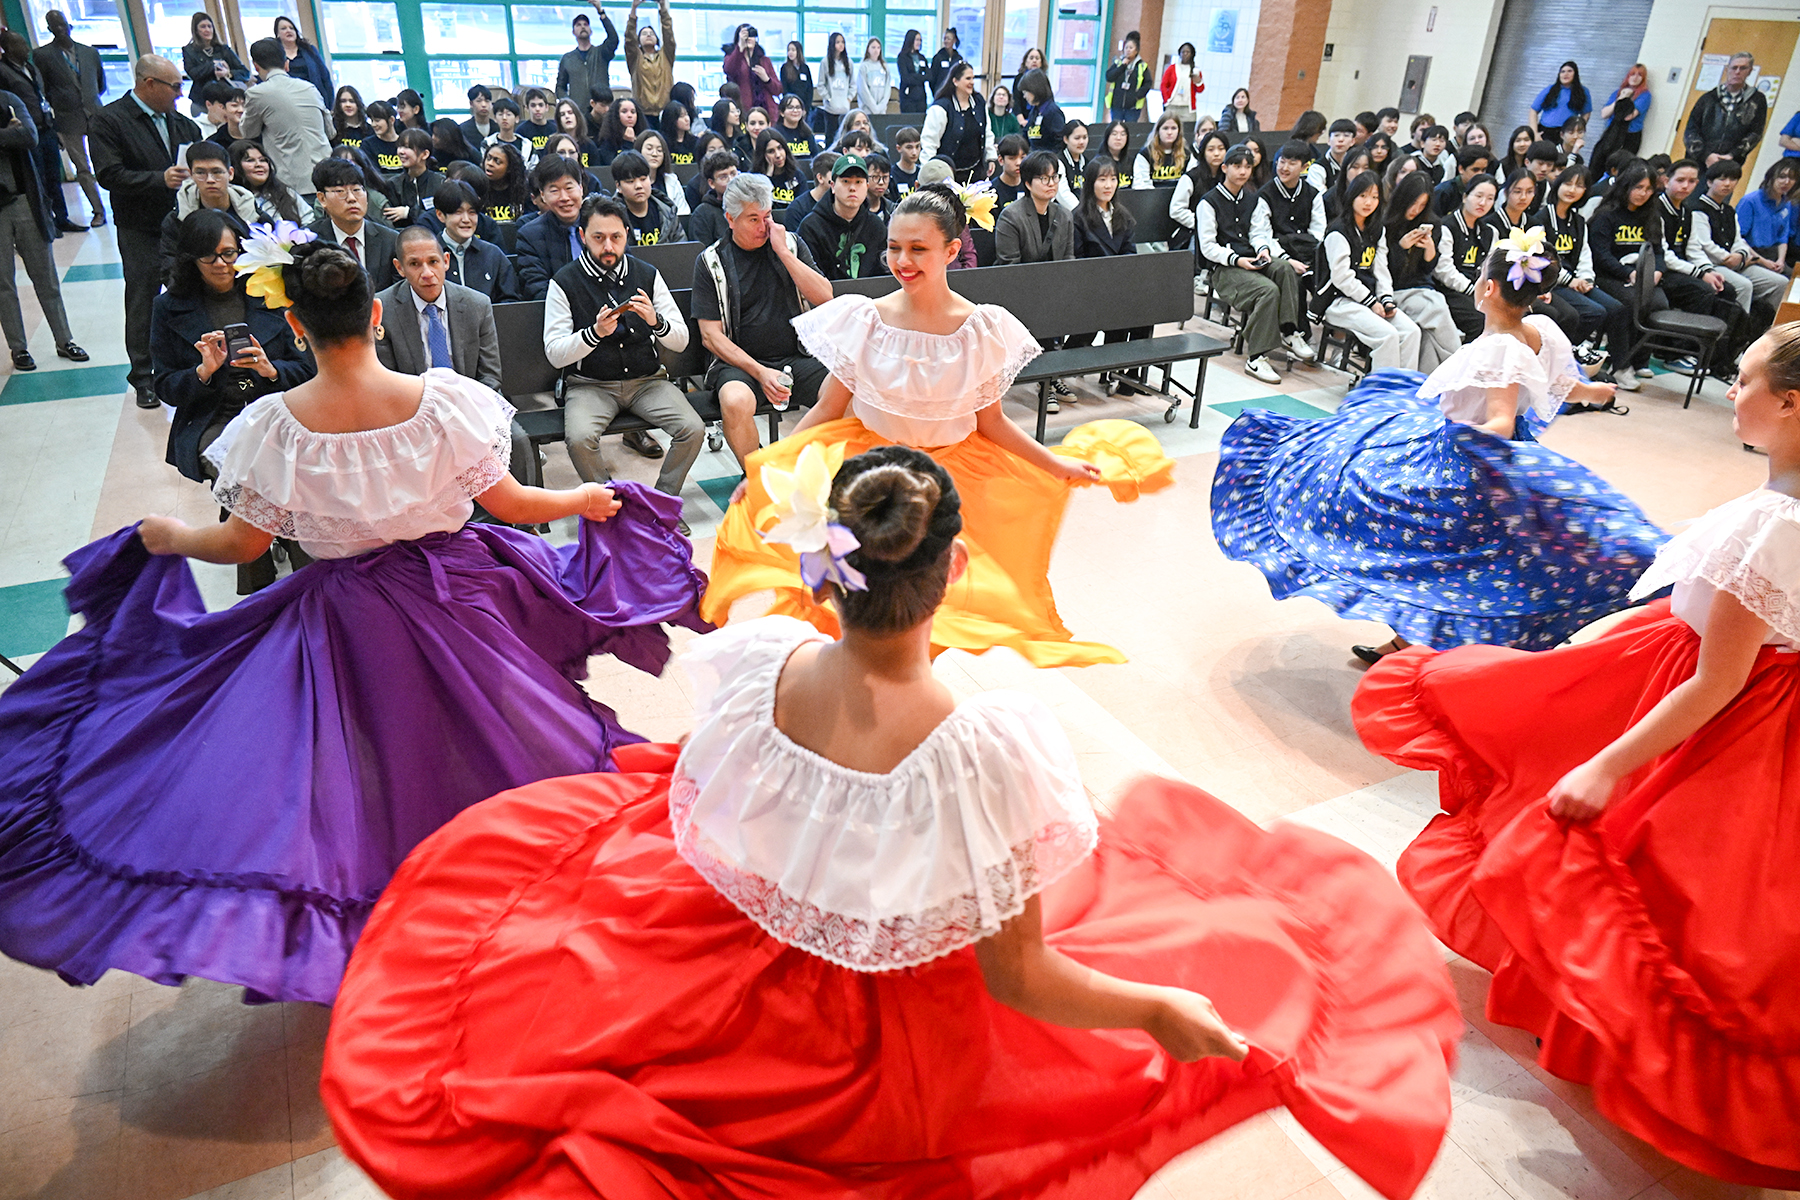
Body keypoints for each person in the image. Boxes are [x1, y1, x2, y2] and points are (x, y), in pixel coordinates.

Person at [322, 419, 1464, 1200]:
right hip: (897, 1035)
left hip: (742, 976)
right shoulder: (984, 744)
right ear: (958, 567)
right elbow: (1019, 978)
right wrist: (1160, 1014)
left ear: (826, 572)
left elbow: (711, 812)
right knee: (1183, 953)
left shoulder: (764, 659)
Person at [0, 226, 708, 1005]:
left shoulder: (274, 425)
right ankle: (508, 889)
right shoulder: (443, 403)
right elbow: (507, 504)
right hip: (459, 598)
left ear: (296, 324)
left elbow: (243, 545)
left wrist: (169, 537)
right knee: (500, 742)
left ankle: (399, 909)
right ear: (375, 314)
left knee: (367, 768)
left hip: (344, 616)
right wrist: (581, 499)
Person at [1360, 322, 1800, 1188]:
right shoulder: (1774, 513)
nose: (1731, 390)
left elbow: (1713, 682)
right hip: (1742, 700)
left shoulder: (1771, 526)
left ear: (1790, 403)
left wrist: (1602, 765)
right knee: (1697, 894)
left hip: (1714, 713)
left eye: (1742, 378)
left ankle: (1602, 1032)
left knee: (1637, 869)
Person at [713, 178, 1180, 672]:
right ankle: (859, 686)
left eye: (919, 248)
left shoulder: (979, 329)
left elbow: (993, 423)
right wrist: (763, 471)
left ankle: (909, 683)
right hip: (869, 480)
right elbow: (826, 411)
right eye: (894, 247)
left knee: (926, 602)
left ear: (952, 249)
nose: (903, 261)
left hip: (945, 486)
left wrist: (1055, 463)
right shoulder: (866, 320)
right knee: (858, 595)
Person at [1215, 230, 1658, 665]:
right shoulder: (1541, 329)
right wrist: (1595, 392)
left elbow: (1501, 419)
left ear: (1487, 288)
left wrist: (1478, 435)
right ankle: (1412, 640)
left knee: (1425, 549)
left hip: (1467, 461)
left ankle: (1429, 641)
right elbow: (1560, 384)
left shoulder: (1500, 348)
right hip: (1481, 455)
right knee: (1465, 558)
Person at [152, 210, 313, 595]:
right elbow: (163, 384)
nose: (222, 264)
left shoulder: (270, 292)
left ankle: (261, 579)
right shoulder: (169, 306)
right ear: (191, 259)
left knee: (272, 469)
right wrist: (201, 374)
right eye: (210, 257)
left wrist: (272, 370)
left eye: (230, 253)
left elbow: (308, 367)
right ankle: (292, 569)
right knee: (247, 467)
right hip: (215, 416)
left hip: (276, 407)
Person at [544, 194, 703, 528]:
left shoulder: (647, 273)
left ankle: (660, 506)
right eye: (598, 237)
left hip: (647, 381)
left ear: (627, 235)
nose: (608, 246)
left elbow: (681, 339)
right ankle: (614, 508)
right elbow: (555, 351)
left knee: (692, 428)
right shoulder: (564, 281)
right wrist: (594, 333)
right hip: (591, 385)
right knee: (579, 438)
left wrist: (656, 321)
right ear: (583, 236)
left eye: (616, 237)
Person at [374, 225, 533, 490]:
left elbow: (490, 376)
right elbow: (387, 380)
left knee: (518, 440)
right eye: (414, 264)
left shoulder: (476, 304)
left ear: (446, 261)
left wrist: (463, 415)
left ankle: (526, 525)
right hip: (413, 413)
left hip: (470, 405)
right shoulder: (384, 309)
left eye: (433, 261)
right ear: (399, 268)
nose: (427, 273)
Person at [691, 172, 833, 470]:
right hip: (739, 365)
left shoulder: (790, 244)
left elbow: (825, 296)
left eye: (767, 216)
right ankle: (757, 476)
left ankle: (807, 469)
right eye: (753, 219)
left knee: (846, 388)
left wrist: (783, 253)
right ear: (730, 219)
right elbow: (710, 337)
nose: (764, 226)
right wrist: (761, 372)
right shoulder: (710, 261)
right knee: (735, 401)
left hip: (798, 355)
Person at [93, 54, 201, 409]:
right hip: (141, 226)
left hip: (184, 224)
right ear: (148, 84)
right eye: (174, 86)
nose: (179, 93)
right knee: (143, 298)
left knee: (191, 292)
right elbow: (109, 175)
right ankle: (143, 376)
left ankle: (192, 363)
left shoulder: (183, 125)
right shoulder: (109, 120)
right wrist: (159, 179)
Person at [1198, 144, 1312, 384]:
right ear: (1225, 167)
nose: (1243, 171)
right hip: (1225, 269)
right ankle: (1257, 357)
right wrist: (1237, 259)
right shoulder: (1208, 203)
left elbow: (1260, 232)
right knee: (1267, 290)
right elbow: (1208, 247)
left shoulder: (1254, 200)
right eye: (1237, 166)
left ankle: (1290, 331)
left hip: (1251, 258)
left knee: (1283, 267)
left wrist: (1263, 250)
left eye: (1248, 167)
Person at [0, 79, 86, 371]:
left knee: (46, 277)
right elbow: (15, 135)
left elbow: (28, 136)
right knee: (3, 283)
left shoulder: (8, 99)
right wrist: (6, 133)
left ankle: (64, 340)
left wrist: (14, 133)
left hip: (24, 200)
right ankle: (18, 348)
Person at [1317, 170, 1422, 371]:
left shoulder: (1377, 229)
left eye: (1374, 197)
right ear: (1352, 197)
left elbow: (1381, 269)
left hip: (1370, 300)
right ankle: (1380, 394)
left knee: (1411, 331)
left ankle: (1403, 390)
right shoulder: (1338, 230)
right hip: (1339, 301)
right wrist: (1371, 302)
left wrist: (1386, 299)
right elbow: (1341, 278)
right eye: (1363, 196)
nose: (1368, 202)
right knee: (1387, 335)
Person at [1538, 164, 1629, 390]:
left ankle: (1620, 366)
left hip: (1577, 281)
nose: (1572, 189)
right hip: (1553, 282)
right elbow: (1542, 260)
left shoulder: (1578, 221)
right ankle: (1562, 358)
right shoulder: (1542, 216)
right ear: (1558, 184)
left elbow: (1585, 253)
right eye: (1568, 183)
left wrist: (1586, 279)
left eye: (1579, 186)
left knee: (1616, 308)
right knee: (1592, 311)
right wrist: (1571, 281)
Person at [1073, 156, 1152, 396]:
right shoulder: (1079, 217)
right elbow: (1078, 260)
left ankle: (1131, 377)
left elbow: (1130, 254)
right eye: (1102, 179)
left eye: (1113, 179)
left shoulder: (1124, 216)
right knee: (1116, 312)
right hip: (1091, 288)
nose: (1108, 185)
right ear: (1090, 184)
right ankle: (1111, 370)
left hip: (1119, 285)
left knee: (1146, 312)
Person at [1688, 158, 1787, 341]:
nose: (1727, 184)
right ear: (1709, 182)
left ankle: (1758, 337)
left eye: (1733, 180)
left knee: (1779, 283)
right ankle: (1732, 341)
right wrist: (1728, 258)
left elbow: (1738, 239)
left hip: (1737, 262)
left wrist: (1740, 255)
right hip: (1713, 264)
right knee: (1743, 286)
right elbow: (1704, 244)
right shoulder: (1697, 208)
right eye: (1722, 179)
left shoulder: (1728, 210)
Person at [0, 31, 80, 236]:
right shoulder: (3, 72)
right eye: (21, 45)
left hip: (46, 129)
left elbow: (42, 96)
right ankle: (47, 222)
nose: (26, 48)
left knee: (54, 178)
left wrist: (53, 128)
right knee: (39, 180)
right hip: (26, 134)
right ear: (9, 49)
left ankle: (61, 218)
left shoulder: (31, 68)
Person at [34, 9, 107, 226]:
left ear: (70, 26)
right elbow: (43, 89)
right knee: (82, 168)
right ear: (48, 29)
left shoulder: (89, 52)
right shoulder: (42, 55)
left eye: (62, 25)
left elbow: (100, 84)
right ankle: (98, 210)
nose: (60, 30)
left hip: (95, 113)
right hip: (67, 119)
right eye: (54, 26)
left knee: (109, 160)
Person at [1383, 171, 1462, 372]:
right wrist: (1400, 248)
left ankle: (1426, 381)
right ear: (1402, 199)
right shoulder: (1385, 223)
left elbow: (1427, 269)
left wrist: (1429, 249)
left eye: (1422, 205)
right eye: (1413, 204)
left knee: (1429, 332)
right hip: (1393, 291)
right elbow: (1385, 273)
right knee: (1436, 307)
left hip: (1421, 288)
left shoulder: (1432, 223)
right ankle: (1458, 366)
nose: (1416, 210)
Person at [241, 37, 329, 208]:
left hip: (292, 184)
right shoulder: (310, 88)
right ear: (286, 64)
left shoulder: (257, 93)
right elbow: (330, 131)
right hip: (327, 177)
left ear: (256, 66)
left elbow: (247, 133)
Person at [156, 140, 254, 280]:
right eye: (200, 172)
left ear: (230, 173)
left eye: (217, 172)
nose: (210, 180)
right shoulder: (176, 221)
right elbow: (170, 268)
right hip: (194, 292)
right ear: (191, 175)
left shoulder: (254, 215)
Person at [307, 157, 399, 293]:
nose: (351, 198)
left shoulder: (391, 240)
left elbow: (399, 294)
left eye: (357, 190)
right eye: (340, 191)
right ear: (322, 198)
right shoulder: (309, 241)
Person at [798, 153, 888, 280]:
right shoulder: (811, 227)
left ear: (867, 187)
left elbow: (884, 275)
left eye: (858, 182)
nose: (852, 188)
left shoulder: (877, 226)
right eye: (846, 181)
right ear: (833, 186)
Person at [431, 179, 520, 301]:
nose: (466, 219)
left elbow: (510, 301)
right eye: (458, 213)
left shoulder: (493, 254)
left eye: (472, 212)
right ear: (440, 215)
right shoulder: (429, 255)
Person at [1437, 173, 1499, 342]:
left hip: (1479, 290)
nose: (1483, 203)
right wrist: (1474, 290)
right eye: (1478, 196)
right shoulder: (1447, 227)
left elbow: (1492, 267)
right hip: (1451, 291)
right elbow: (1444, 271)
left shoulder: (1490, 231)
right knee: (1481, 320)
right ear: (1465, 197)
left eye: (1490, 198)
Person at [516, 155, 588, 299]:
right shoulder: (530, 236)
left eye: (569, 188)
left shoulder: (604, 223)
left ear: (580, 188)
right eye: (554, 190)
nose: (564, 197)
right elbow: (537, 289)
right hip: (558, 314)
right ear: (542, 195)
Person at [1257, 140, 1326, 284]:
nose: (1285, 168)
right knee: (1292, 277)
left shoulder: (1313, 194)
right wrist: (1288, 259)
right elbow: (1264, 235)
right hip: (1278, 252)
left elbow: (1318, 232)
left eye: (1292, 163)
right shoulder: (1264, 195)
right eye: (1282, 162)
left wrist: (1308, 255)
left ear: (1305, 167)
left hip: (1307, 251)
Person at [1684, 52, 1767, 166]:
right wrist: (1706, 155)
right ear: (1727, 69)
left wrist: (1733, 155)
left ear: (1750, 71)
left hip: (1730, 162)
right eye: (1734, 68)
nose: (1737, 72)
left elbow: (1755, 133)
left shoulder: (1757, 100)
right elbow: (1691, 130)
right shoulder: (1708, 98)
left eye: (1743, 68)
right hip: (1699, 160)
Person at [920, 62, 992, 184]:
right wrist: (928, 173)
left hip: (976, 173)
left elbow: (987, 132)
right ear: (955, 81)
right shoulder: (941, 107)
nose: (972, 82)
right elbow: (929, 142)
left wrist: (990, 158)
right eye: (968, 78)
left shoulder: (979, 102)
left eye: (973, 78)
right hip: (946, 175)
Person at [608, 149, 684, 244]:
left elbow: (681, 248)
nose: (639, 186)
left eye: (643, 179)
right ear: (618, 186)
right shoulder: (610, 217)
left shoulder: (667, 212)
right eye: (630, 181)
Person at [181, 11, 247, 114]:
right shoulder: (189, 50)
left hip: (226, 99)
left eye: (209, 26)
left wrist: (228, 74)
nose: (207, 30)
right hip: (201, 100)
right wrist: (213, 65)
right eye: (203, 27)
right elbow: (193, 73)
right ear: (196, 30)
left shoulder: (223, 49)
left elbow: (245, 73)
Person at [1739, 159, 1799, 272]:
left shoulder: (1786, 203)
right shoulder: (1750, 201)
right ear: (1772, 176)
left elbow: (1782, 238)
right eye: (1782, 176)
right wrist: (1763, 261)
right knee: (1782, 283)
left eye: (1792, 178)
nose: (1787, 182)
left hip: (1773, 255)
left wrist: (1780, 260)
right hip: (1752, 254)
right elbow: (1738, 238)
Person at [1172, 128, 1230, 242]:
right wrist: (1203, 223)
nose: (1216, 154)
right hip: (1194, 232)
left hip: (1225, 232)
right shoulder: (1190, 178)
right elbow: (1176, 210)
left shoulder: (1229, 177)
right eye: (1211, 150)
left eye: (1221, 149)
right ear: (1203, 152)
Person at [622, 0, 677, 118]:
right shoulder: (635, 58)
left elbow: (668, 35)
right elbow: (629, 40)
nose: (648, 35)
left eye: (651, 33)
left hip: (665, 112)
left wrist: (662, 6)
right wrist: (633, 9)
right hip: (643, 113)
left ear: (657, 39)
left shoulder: (665, 56)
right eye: (644, 33)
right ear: (639, 41)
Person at [230, 139, 305, 225]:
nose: (259, 164)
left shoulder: (286, 193)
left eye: (262, 160)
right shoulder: (231, 197)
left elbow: (308, 222)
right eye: (250, 160)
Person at [558, 8, 617, 110]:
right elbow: (560, 87)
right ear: (573, 32)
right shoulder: (567, 59)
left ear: (591, 31)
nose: (583, 27)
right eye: (578, 25)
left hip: (601, 110)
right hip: (578, 112)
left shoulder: (601, 53)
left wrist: (601, 12)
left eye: (586, 24)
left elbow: (613, 39)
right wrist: (569, 103)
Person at [723, 23, 780, 119]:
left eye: (751, 35)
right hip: (743, 110)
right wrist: (740, 48)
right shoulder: (732, 58)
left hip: (766, 111)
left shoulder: (764, 60)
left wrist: (767, 79)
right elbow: (729, 70)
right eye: (745, 35)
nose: (748, 38)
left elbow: (778, 90)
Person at [272, 14, 330, 107]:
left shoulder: (309, 50)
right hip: (288, 101)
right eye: (283, 28)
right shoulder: (275, 54)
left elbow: (325, 76)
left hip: (313, 98)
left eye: (291, 28)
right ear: (277, 34)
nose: (288, 30)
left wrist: (329, 105)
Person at [686, 147, 738, 244]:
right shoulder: (702, 214)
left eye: (733, 174)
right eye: (723, 177)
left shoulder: (749, 205)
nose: (731, 180)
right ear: (711, 183)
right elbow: (701, 254)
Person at [1530, 61, 1589, 144]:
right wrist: (1534, 133)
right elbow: (1533, 110)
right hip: (1546, 131)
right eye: (1563, 71)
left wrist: (1578, 130)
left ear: (1575, 74)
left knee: (1564, 156)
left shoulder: (1583, 92)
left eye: (1569, 71)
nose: (1566, 74)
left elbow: (1586, 112)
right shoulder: (1550, 90)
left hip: (1567, 133)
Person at [477, 141, 530, 223]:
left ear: (509, 168)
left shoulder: (524, 190)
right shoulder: (478, 189)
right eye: (488, 158)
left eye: (497, 161)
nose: (490, 164)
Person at [1104, 29, 1150, 123]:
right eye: (1126, 48)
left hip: (1133, 107)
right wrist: (1123, 66)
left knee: (1130, 130)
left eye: (1131, 48)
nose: (1128, 50)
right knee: (1116, 128)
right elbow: (1109, 77)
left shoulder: (1142, 66)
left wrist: (1137, 96)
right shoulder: (1118, 63)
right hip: (1117, 105)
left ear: (1136, 51)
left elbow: (1148, 84)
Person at [815, 32, 853, 143]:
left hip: (844, 108)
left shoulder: (849, 63)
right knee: (830, 136)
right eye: (838, 42)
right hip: (830, 108)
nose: (841, 45)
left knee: (844, 137)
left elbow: (853, 84)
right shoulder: (825, 62)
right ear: (832, 44)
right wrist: (829, 98)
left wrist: (848, 98)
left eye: (842, 42)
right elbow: (821, 84)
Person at [482, 97, 539, 170]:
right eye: (500, 114)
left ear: (517, 119)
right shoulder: (487, 143)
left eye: (508, 114)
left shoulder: (527, 145)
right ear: (495, 119)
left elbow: (534, 169)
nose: (504, 118)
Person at [752, 128, 804, 206]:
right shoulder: (753, 178)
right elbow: (758, 206)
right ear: (762, 155)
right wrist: (767, 177)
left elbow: (803, 207)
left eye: (780, 148)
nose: (778, 155)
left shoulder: (797, 175)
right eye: (771, 151)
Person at [1135, 113, 1188, 189]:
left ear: (1179, 131)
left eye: (1173, 128)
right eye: (1165, 128)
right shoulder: (1145, 154)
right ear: (1158, 130)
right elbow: (1142, 184)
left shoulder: (1187, 155)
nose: (1169, 132)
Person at [197, 80, 247, 149]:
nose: (241, 110)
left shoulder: (259, 134)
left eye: (245, 105)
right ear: (223, 108)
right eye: (234, 105)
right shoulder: (215, 141)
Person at [1161, 41, 1203, 119]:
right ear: (1179, 54)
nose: (1185, 54)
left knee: (1188, 129)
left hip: (1188, 108)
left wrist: (1198, 82)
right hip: (1172, 105)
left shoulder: (1195, 70)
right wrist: (1166, 100)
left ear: (1192, 54)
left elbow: (1200, 90)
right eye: (1183, 52)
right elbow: (1163, 85)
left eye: (1188, 52)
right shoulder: (1172, 68)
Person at [855, 37, 890, 116]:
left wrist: (881, 106)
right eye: (873, 47)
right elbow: (863, 90)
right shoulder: (864, 66)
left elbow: (887, 89)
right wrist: (874, 107)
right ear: (868, 49)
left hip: (881, 111)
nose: (876, 50)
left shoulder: (884, 66)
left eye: (878, 48)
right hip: (867, 111)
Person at [989, 133, 1027, 206]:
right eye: (1012, 158)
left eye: (1022, 158)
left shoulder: (1030, 186)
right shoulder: (992, 191)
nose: (1018, 163)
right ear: (1001, 160)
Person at [896, 29, 927, 113]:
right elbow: (906, 78)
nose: (919, 42)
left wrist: (914, 76)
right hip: (908, 97)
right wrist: (921, 77)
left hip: (921, 97)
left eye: (920, 40)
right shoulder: (902, 57)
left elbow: (929, 76)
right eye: (917, 40)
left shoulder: (922, 57)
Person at [517, 88, 556, 154]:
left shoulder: (555, 128)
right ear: (527, 108)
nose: (537, 109)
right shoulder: (521, 131)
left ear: (546, 107)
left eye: (540, 105)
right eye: (533, 105)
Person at [459, 84, 494, 156]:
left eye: (487, 101)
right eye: (479, 101)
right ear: (471, 103)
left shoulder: (497, 127)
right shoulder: (463, 129)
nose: (484, 105)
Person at [927, 27, 963, 96]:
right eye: (945, 38)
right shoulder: (938, 57)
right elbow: (932, 78)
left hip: (954, 93)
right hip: (940, 92)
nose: (946, 41)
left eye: (948, 39)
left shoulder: (958, 58)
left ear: (954, 40)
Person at [780, 40, 814, 112]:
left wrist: (807, 107)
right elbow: (784, 88)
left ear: (798, 52)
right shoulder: (785, 68)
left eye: (793, 50)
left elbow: (809, 88)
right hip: (791, 104)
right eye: (789, 50)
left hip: (804, 105)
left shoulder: (805, 68)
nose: (790, 52)